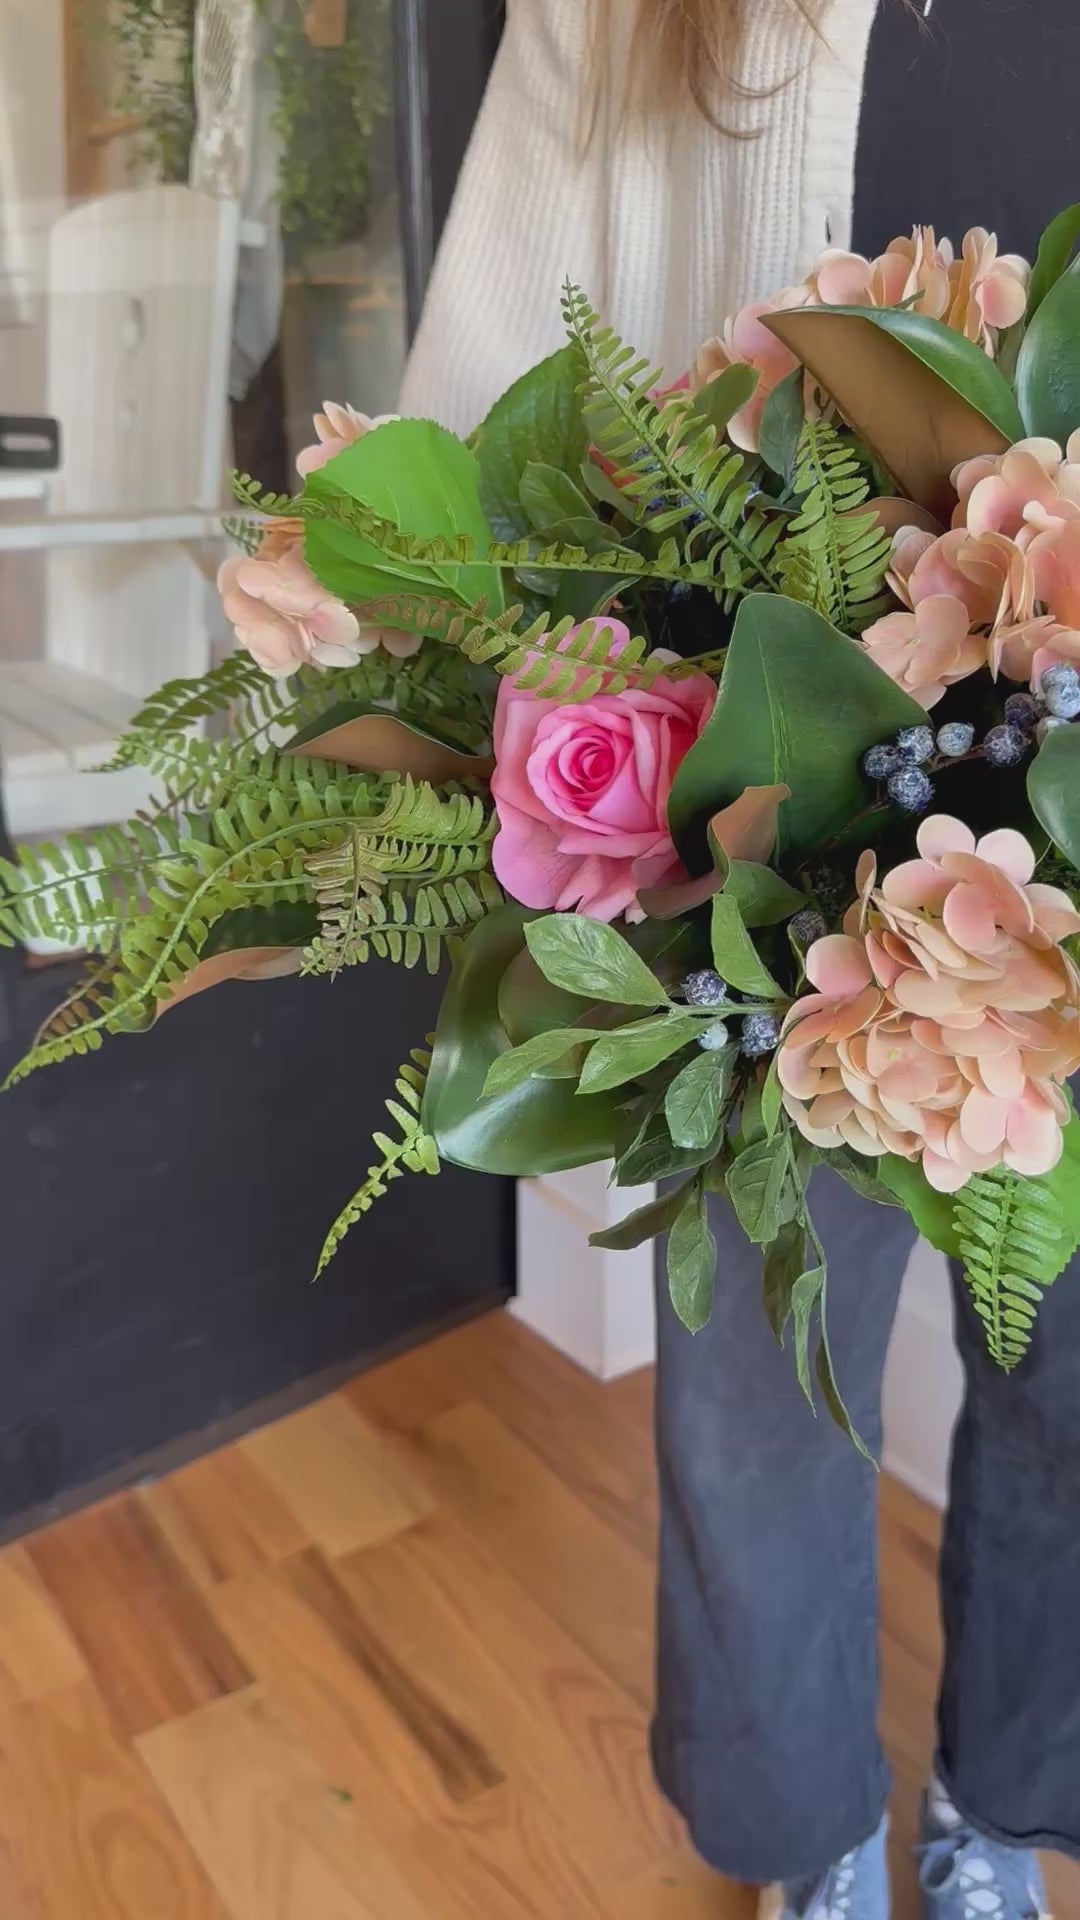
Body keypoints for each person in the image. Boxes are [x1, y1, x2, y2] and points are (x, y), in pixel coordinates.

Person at [401, 5, 1080, 1916]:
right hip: (756, 830)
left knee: (1079, 1385)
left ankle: (1003, 1822)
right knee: (758, 1397)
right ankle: (816, 1844)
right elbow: (475, 399)